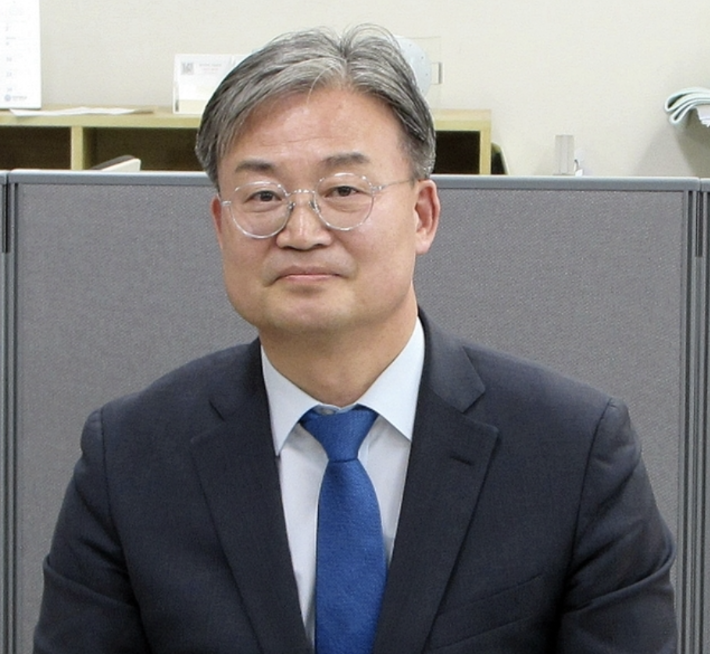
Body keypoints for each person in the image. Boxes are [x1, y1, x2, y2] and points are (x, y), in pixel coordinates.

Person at [34, 25, 677, 654]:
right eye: (263, 196)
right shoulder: (130, 461)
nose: (301, 231)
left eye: (343, 190)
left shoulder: (573, 454)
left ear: (422, 214)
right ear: (221, 225)